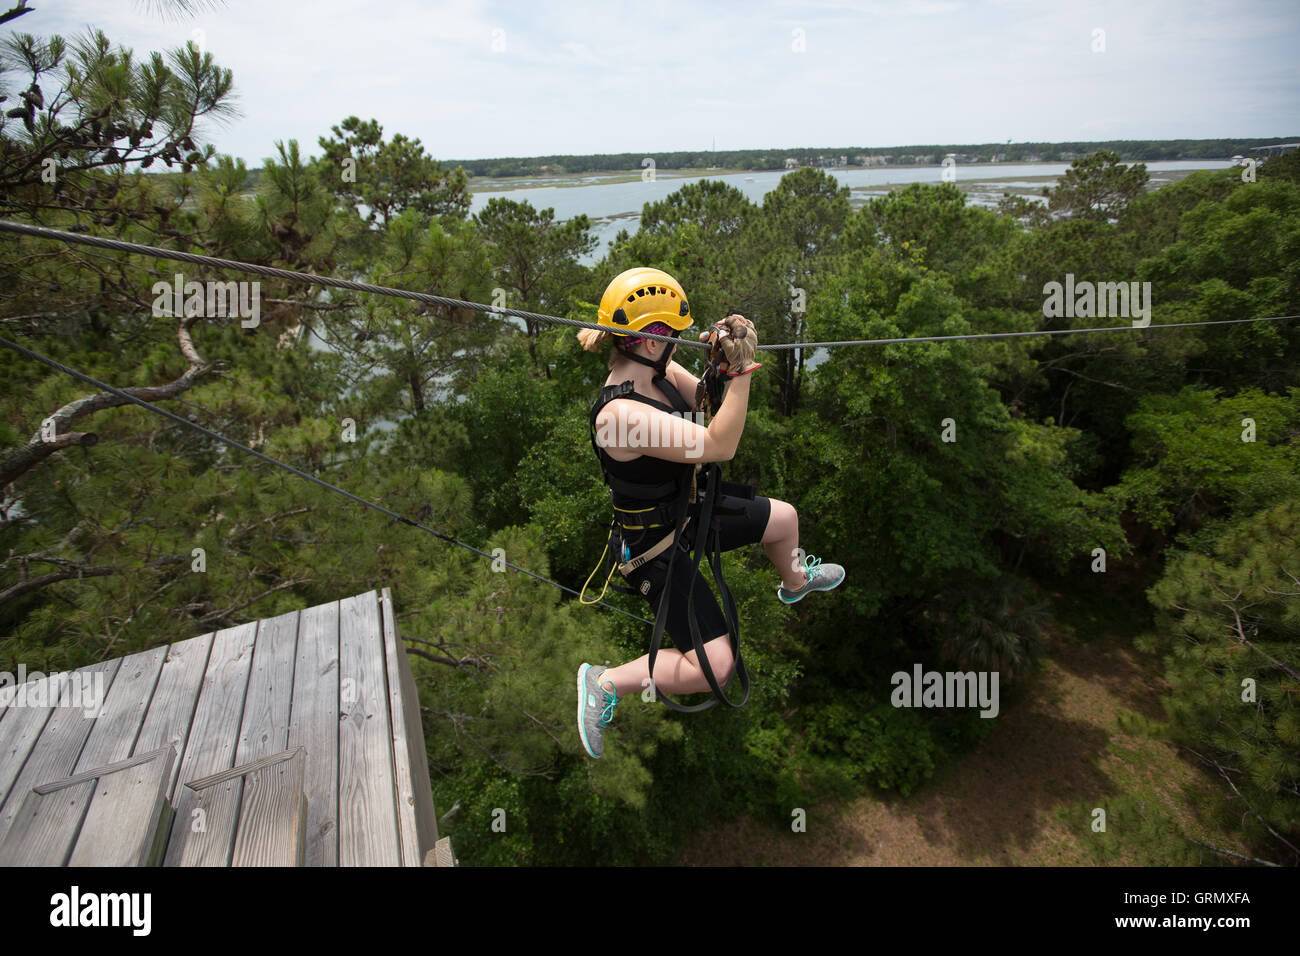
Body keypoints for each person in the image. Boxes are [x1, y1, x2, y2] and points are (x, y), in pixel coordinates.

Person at [576, 267, 845, 759]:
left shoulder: (658, 375)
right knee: (715, 667)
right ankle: (607, 681)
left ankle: (794, 582)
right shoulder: (620, 416)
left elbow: (701, 404)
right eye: (674, 335)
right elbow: (718, 445)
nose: (678, 343)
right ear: (653, 340)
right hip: (652, 549)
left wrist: (719, 368)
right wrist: (743, 374)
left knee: (784, 520)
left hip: (686, 512)